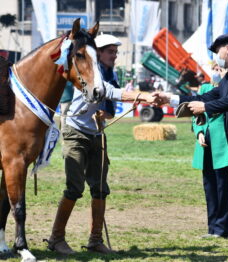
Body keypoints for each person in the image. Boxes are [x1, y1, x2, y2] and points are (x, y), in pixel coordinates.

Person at [153, 32, 228, 262]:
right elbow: (211, 95)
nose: (216, 56)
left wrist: (206, 108)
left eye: (217, 51)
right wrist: (172, 99)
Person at [46, 34, 154, 255]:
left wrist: (108, 111)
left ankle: (95, 240)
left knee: (100, 189)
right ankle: (56, 239)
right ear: (99, 53)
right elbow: (110, 92)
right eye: (110, 52)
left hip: (96, 134)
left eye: (115, 52)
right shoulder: (88, 71)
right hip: (75, 133)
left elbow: (109, 98)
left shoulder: (109, 73)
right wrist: (144, 97)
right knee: (75, 188)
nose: (114, 56)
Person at [192, 64, 228, 239]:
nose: (217, 72)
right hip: (205, 143)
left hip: (223, 143)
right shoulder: (205, 88)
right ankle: (212, 228)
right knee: (209, 187)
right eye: (215, 68)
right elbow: (195, 113)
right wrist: (199, 132)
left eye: (221, 69)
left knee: (222, 187)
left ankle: (223, 229)